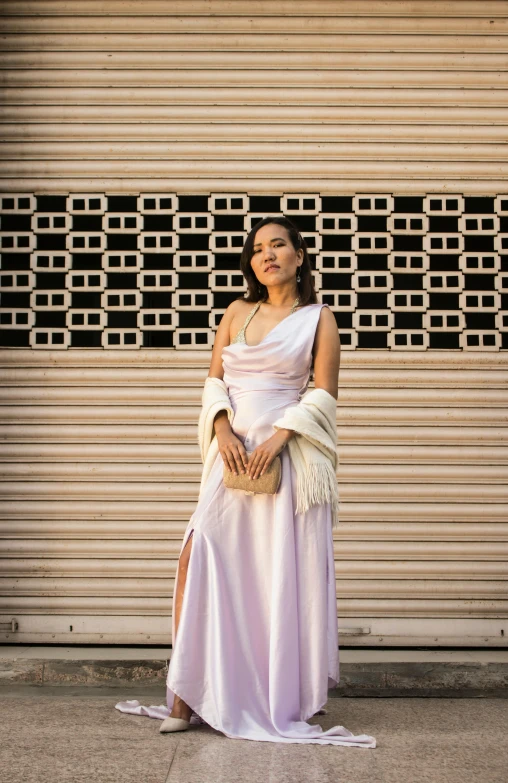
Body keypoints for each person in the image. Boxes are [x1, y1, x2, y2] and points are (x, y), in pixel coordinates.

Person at [115, 216, 376, 748]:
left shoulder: (319, 318)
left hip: (287, 459)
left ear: (299, 255)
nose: (267, 255)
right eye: (258, 248)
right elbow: (215, 382)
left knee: (275, 574)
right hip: (231, 456)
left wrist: (281, 437)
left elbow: (324, 394)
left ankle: (271, 696)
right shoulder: (236, 312)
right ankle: (185, 697)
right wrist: (220, 431)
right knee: (199, 552)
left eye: (279, 244)